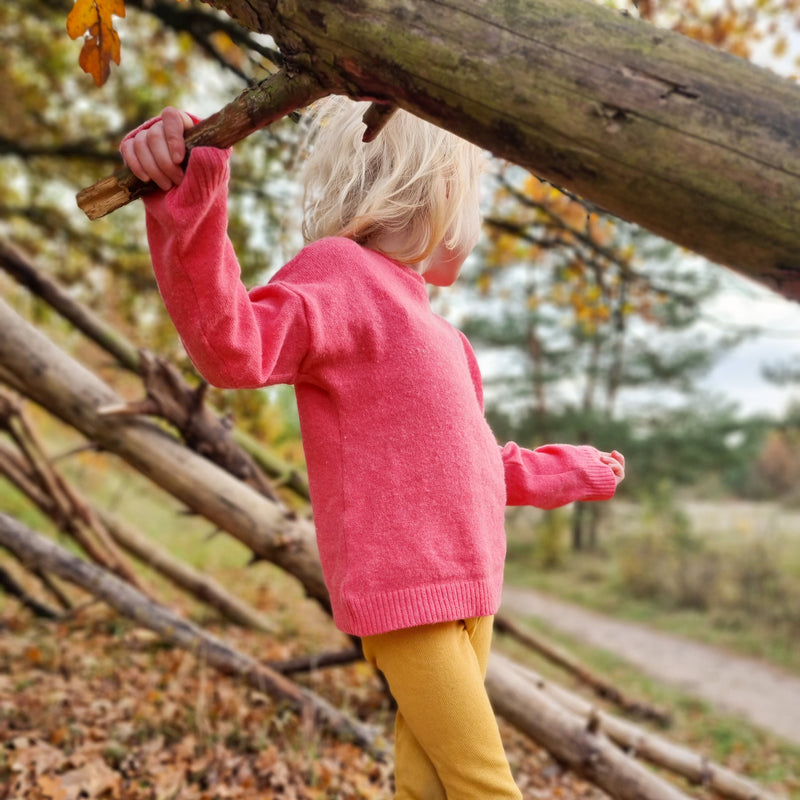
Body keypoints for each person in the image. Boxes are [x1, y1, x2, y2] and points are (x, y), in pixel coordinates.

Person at [121, 99, 625, 800]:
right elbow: (232, 347)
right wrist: (189, 199)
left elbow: (473, 463)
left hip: (471, 591)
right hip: (406, 595)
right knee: (486, 785)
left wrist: (570, 470)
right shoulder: (340, 275)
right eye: (469, 196)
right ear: (438, 193)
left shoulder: (445, 339)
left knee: (429, 786)